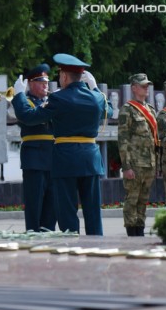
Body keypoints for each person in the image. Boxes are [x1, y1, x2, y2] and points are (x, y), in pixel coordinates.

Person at [12, 53, 111, 235]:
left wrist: (19, 95)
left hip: (66, 159)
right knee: (93, 214)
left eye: (59, 76)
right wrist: (95, 88)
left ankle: (71, 251)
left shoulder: (59, 99)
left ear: (64, 76)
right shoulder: (96, 98)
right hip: (90, 158)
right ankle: (97, 249)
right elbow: (109, 111)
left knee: (67, 215)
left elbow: (28, 117)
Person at [14, 64, 56, 232]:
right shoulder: (25, 102)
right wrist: (18, 95)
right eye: (40, 81)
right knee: (34, 206)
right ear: (30, 84)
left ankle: (48, 235)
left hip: (53, 159)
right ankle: (32, 237)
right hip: (35, 160)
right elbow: (26, 117)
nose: (45, 85)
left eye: (46, 81)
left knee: (51, 207)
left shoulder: (51, 102)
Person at [117, 73, 158, 236]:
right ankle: (132, 234)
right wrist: (126, 166)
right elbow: (123, 140)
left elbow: (155, 139)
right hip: (135, 164)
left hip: (150, 163)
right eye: (142, 85)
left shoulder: (151, 110)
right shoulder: (127, 109)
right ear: (134, 88)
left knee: (143, 200)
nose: (146, 88)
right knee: (132, 200)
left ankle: (140, 231)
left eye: (147, 85)